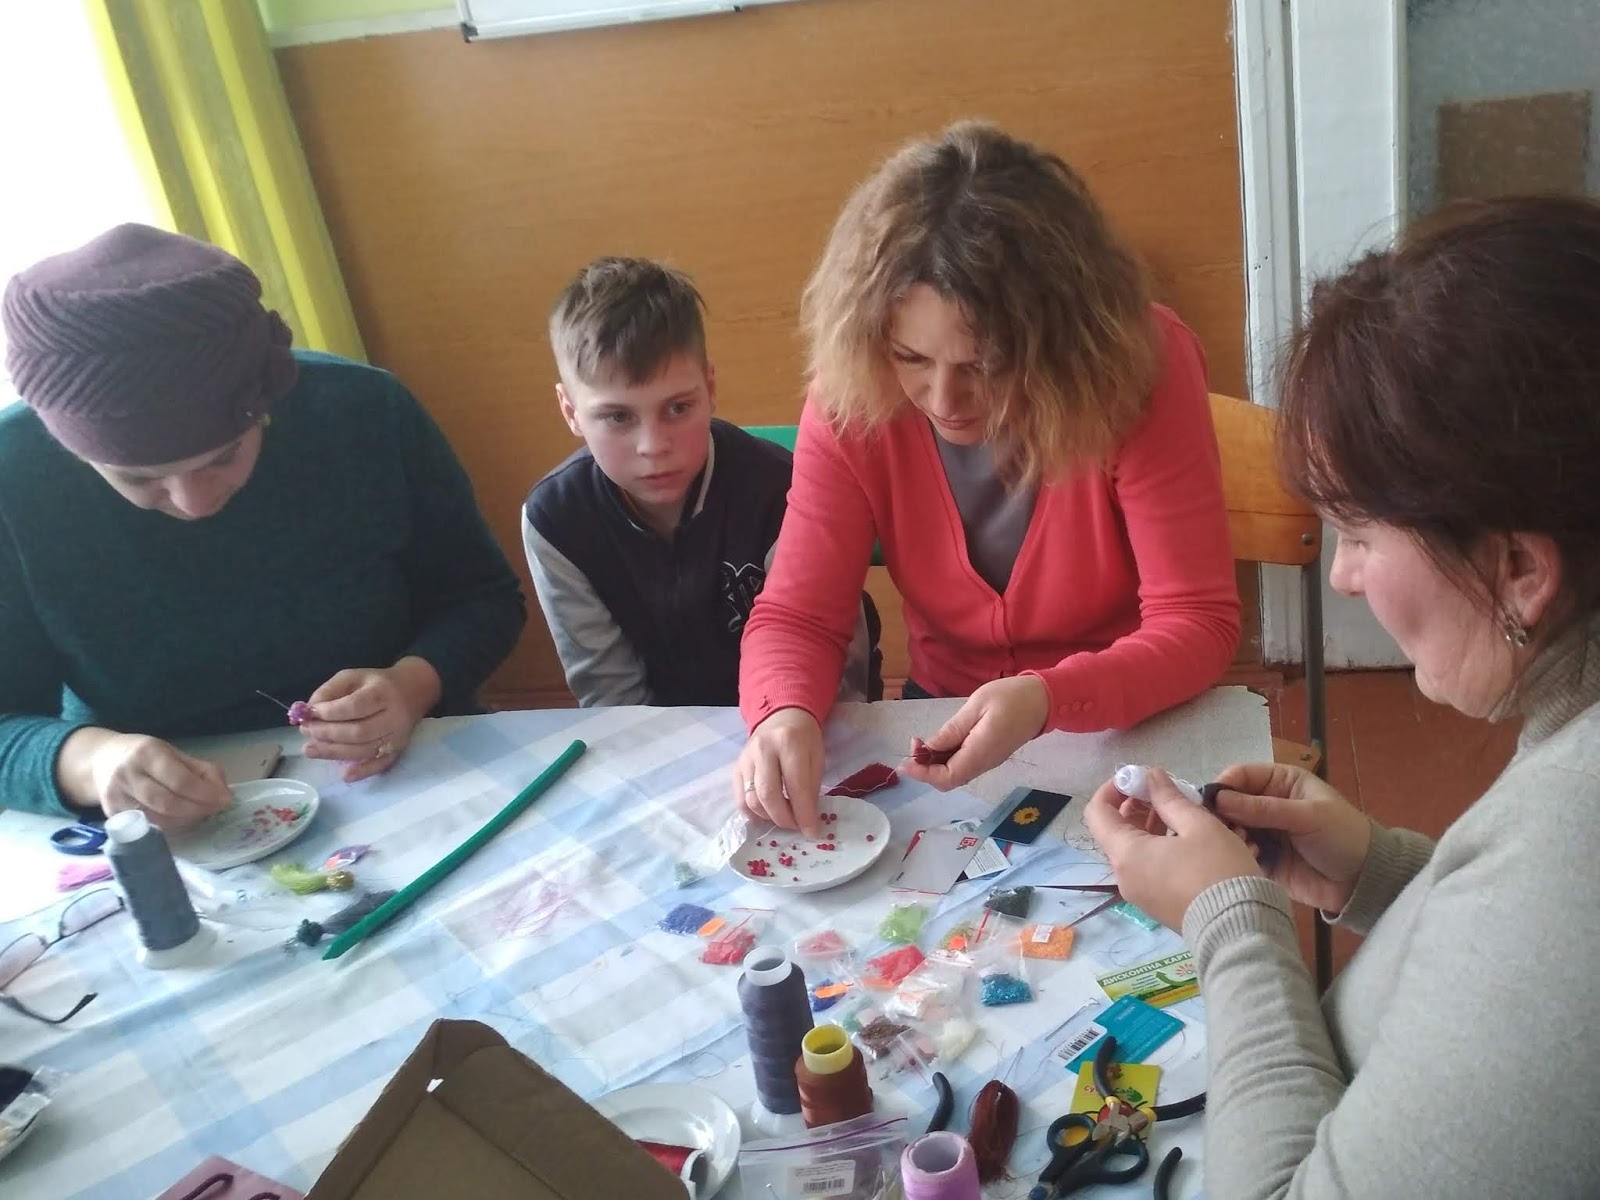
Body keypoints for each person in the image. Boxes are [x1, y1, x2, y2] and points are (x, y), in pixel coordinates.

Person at [1085, 196, 1600, 1198]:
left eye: (1359, 534)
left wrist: (1230, 921)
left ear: (1518, 569)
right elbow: (1512, 983)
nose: (1342, 577)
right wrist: (1379, 869)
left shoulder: (1575, 849)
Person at [734, 121, 1240, 836]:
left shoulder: (1142, 366)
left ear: (1063, 344)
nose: (944, 400)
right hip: (943, 711)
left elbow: (1197, 622)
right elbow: (799, 615)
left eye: (985, 365)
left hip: (1125, 718)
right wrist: (782, 712)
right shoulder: (851, 390)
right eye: (912, 358)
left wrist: (1047, 697)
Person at [0, 224, 526, 826]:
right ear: (70, 451)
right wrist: (92, 761)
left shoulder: (363, 412)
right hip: (169, 825)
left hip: (411, 768)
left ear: (269, 407)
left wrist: (413, 684)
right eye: (139, 478)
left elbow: (482, 596)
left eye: (225, 455)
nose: (194, 503)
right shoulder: (13, 478)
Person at [523, 256, 878, 708]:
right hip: (659, 734)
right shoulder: (555, 522)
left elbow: (836, 672)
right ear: (570, 411)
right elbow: (611, 697)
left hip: (802, 715)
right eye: (617, 417)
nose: (653, 446)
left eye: (677, 408)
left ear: (709, 390)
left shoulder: (784, 491)